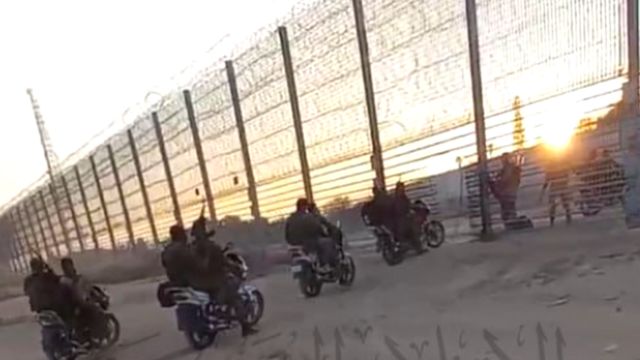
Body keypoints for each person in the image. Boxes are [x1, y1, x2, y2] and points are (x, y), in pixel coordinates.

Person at [189, 216, 258, 337]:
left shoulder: (191, 248)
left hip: (198, 284)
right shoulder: (212, 247)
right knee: (236, 296)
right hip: (215, 281)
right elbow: (224, 262)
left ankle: (219, 311)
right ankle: (245, 327)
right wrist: (235, 268)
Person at [60, 257, 104, 342]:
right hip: (75, 306)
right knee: (92, 311)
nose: (69, 267)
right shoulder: (65, 281)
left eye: (70, 265)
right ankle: (92, 335)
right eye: (67, 266)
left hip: (76, 305)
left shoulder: (73, 278)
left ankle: (90, 336)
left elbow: (89, 288)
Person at [285, 198, 334, 269]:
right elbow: (317, 228)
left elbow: (287, 235)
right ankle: (324, 265)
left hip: (293, 244)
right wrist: (324, 234)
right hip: (308, 243)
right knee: (327, 242)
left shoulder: (290, 219)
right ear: (303, 206)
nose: (307, 208)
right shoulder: (307, 217)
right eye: (306, 206)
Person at [24, 258, 74, 324]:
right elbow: (58, 280)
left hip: (38, 309)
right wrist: (49, 269)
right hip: (52, 306)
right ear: (41, 267)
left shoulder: (28, 280)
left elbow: (26, 292)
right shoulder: (47, 276)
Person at [489, 153, 522, 226]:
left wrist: (496, 182)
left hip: (507, 192)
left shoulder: (509, 168)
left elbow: (505, 179)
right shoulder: (508, 168)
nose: (502, 161)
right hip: (510, 193)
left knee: (507, 210)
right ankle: (511, 224)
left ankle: (511, 224)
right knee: (509, 209)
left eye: (503, 159)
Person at [541, 157, 572, 226]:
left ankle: (554, 221)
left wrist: (542, 192)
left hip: (558, 185)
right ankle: (566, 219)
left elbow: (547, 180)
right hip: (559, 185)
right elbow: (547, 179)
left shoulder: (554, 166)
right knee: (560, 203)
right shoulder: (555, 166)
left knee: (562, 203)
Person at [392, 182, 423, 252]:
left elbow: (408, 204)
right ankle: (419, 248)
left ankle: (413, 245)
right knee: (414, 228)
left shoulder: (399, 196)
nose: (403, 188)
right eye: (402, 187)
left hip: (400, 219)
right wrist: (410, 209)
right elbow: (403, 207)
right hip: (402, 219)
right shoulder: (399, 197)